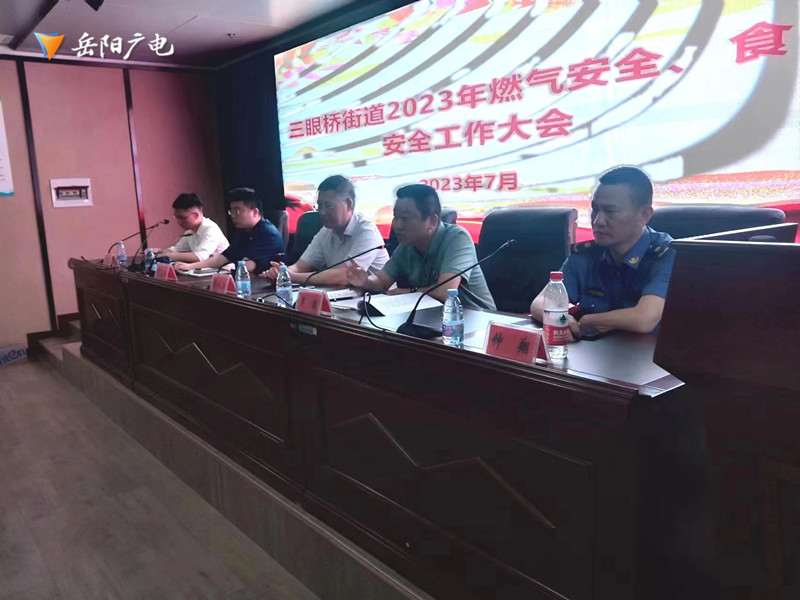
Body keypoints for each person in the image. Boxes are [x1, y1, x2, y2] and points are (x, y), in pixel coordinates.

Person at [530, 165, 675, 337]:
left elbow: (644, 319)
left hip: (646, 353)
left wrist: (586, 321)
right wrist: (558, 318)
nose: (598, 221)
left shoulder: (665, 254)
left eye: (610, 211)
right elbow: (540, 302)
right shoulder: (587, 254)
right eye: (595, 209)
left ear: (644, 215)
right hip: (591, 350)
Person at [346, 184, 496, 309]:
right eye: (395, 217)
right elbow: (382, 281)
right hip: (433, 318)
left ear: (432, 221)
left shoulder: (457, 238)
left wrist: (406, 292)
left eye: (405, 218)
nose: (397, 225)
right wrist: (365, 281)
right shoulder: (407, 245)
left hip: (477, 320)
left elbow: (445, 292)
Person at [262, 175, 388, 286]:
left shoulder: (366, 231)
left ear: (349, 204)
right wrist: (281, 273)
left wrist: (290, 277)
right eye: (320, 206)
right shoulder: (326, 231)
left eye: (329, 206)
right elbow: (299, 267)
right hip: (346, 297)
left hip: (377, 299)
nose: (322, 212)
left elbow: (345, 275)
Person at [174, 188, 285, 274]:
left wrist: (227, 268)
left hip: (269, 286)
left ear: (255, 212)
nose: (233, 216)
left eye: (237, 211)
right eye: (231, 211)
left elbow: (250, 266)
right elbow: (221, 259)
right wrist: (189, 266)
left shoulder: (268, 233)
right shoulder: (243, 231)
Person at [153, 193, 228, 263]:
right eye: (176, 217)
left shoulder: (210, 229)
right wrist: (157, 252)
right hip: (207, 270)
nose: (178, 222)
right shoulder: (189, 232)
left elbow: (200, 256)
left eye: (182, 218)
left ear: (196, 215)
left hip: (224, 271)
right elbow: (177, 250)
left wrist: (168, 256)